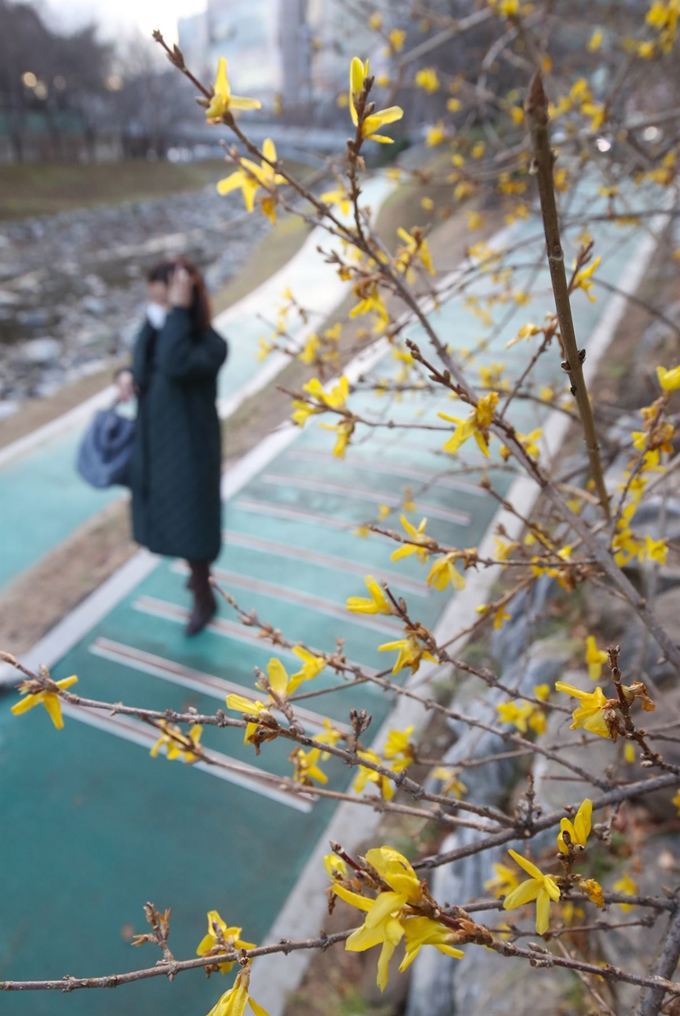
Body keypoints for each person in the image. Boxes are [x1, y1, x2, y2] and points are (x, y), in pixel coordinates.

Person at [116, 258, 228, 636]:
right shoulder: (161, 328)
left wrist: (177, 311)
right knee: (170, 518)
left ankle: (204, 596)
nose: (155, 311)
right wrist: (126, 374)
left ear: (184, 299)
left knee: (193, 526)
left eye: (163, 301)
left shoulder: (211, 346)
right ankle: (198, 584)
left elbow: (175, 364)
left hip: (190, 452)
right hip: (156, 445)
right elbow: (144, 364)